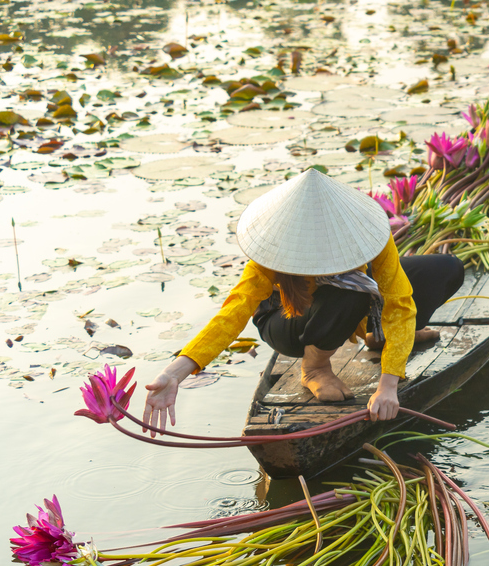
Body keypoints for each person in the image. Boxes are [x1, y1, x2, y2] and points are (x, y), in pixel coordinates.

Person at [143, 168, 464, 434]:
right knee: (349, 289)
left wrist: (389, 382)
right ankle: (315, 368)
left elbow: (400, 301)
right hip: (287, 322)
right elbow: (236, 309)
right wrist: (176, 372)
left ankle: (379, 338)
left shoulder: (367, 232)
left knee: (445, 269)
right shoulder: (276, 248)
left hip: (349, 305)